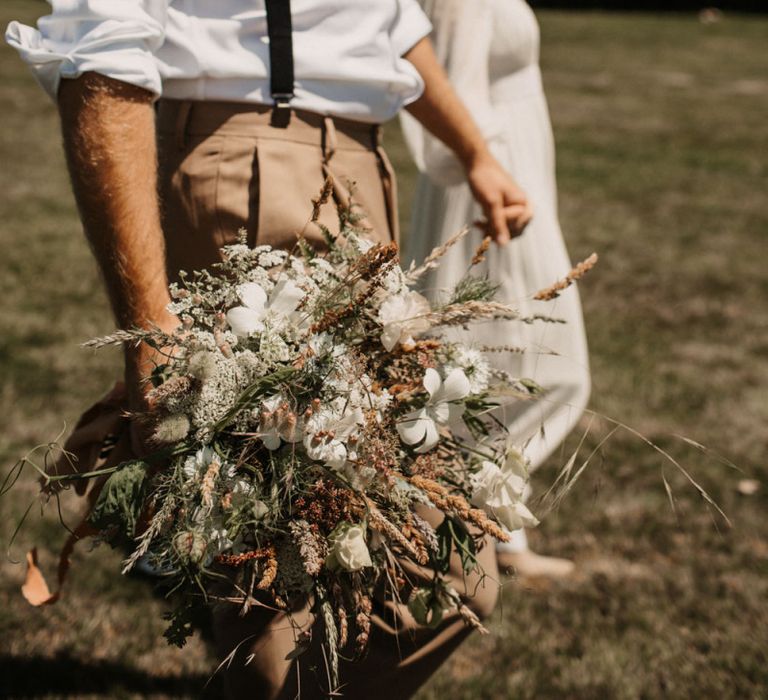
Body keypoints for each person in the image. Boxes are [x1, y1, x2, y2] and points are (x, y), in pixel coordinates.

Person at [6, 2, 534, 697]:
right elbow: (101, 52)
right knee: (274, 587)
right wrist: (151, 343)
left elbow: (393, 19)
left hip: (360, 173)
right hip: (236, 169)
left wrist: (475, 152)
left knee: (454, 576)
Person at [402, 0, 591, 579]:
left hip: (514, 161)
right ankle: (452, 512)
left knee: (507, 354)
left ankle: (493, 526)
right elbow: (452, 84)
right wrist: (484, 171)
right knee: (533, 358)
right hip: (491, 172)